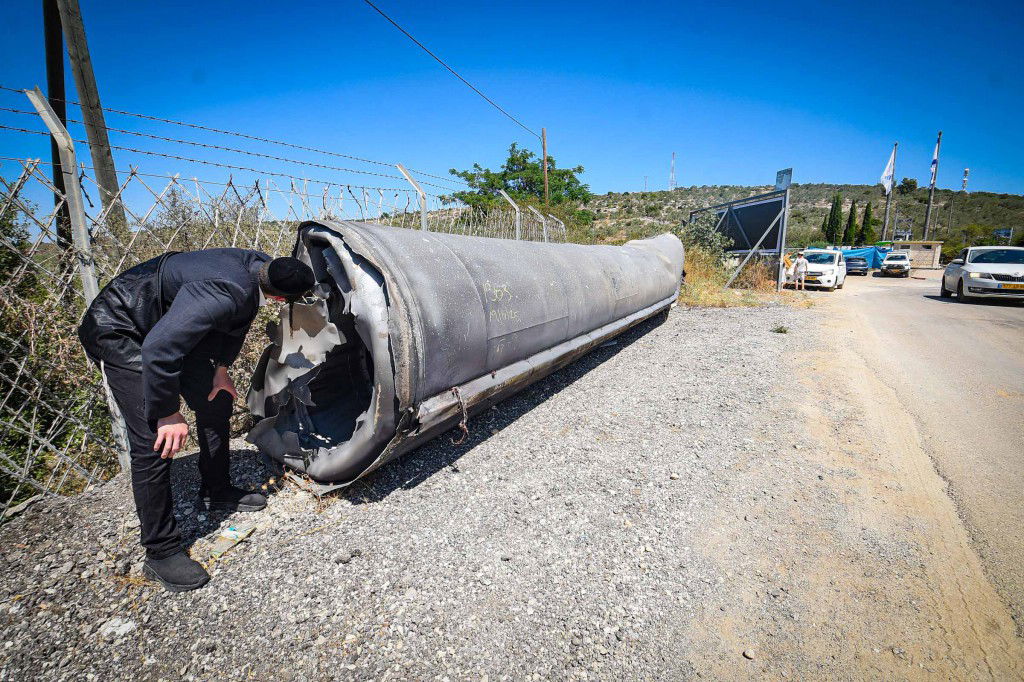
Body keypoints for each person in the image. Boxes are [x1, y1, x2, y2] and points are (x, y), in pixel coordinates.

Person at [78, 249, 316, 592]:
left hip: (166, 324)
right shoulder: (228, 291)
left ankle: (216, 490)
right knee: (154, 440)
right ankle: (160, 552)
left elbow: (236, 322)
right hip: (121, 327)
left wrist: (221, 369)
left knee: (216, 401)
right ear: (278, 297)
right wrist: (166, 412)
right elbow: (158, 350)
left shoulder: (263, 269)